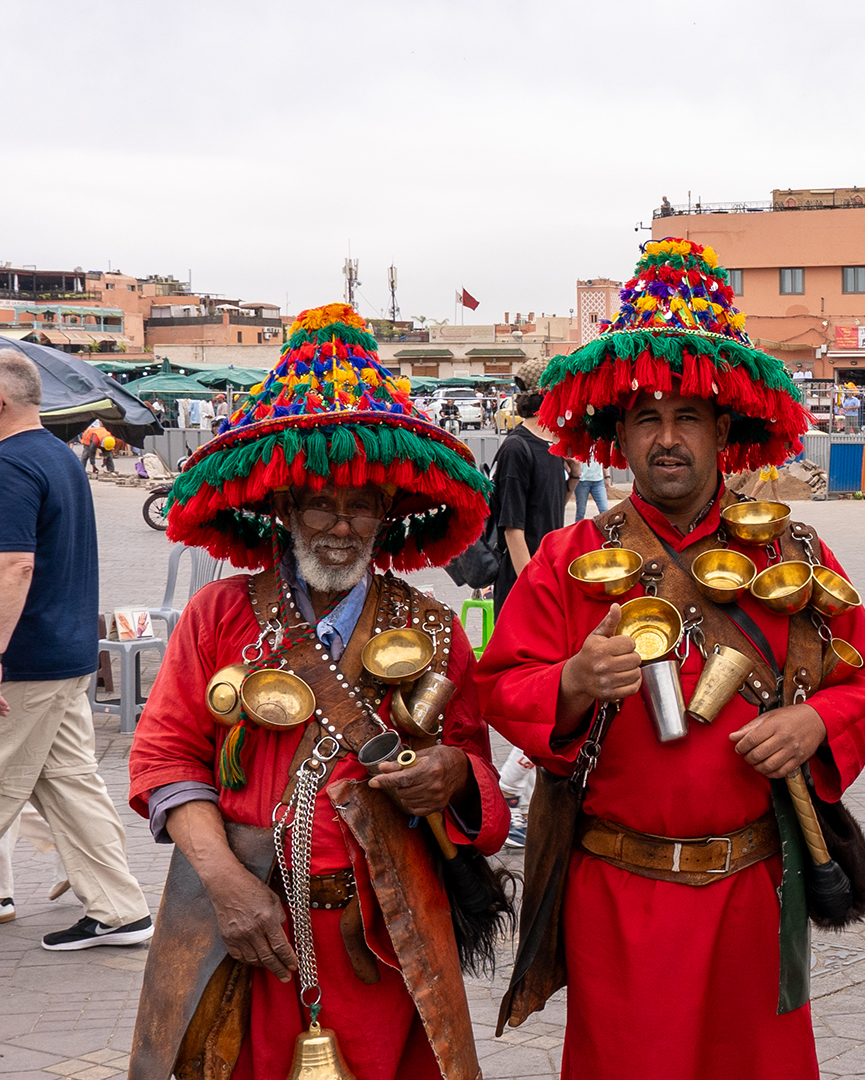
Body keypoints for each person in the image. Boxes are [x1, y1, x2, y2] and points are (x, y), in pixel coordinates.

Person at [477, 239, 865, 1079]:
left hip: (754, 894)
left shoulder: (791, 550)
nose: (667, 439)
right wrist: (570, 682)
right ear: (617, 434)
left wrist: (816, 721)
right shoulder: (568, 558)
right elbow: (498, 685)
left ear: (723, 430)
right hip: (616, 902)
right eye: (646, 418)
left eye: (687, 417)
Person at [128, 304, 508, 1080]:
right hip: (249, 936)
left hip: (386, 944)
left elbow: (483, 786)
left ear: (388, 514)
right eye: (321, 502)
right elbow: (165, 761)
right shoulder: (217, 616)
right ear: (281, 508)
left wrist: (456, 777)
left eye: (362, 504)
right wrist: (228, 888)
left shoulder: (432, 630)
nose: (341, 524)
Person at [0, 347, 154, 951]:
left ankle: (118, 910)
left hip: (27, 659)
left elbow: (14, 567)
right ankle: (120, 911)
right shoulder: (59, 457)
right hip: (65, 653)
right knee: (69, 784)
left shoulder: (10, 464)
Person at [489, 358, 569, 608]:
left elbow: (547, 506)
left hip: (547, 575)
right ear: (549, 396)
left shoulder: (553, 444)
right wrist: (531, 584)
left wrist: (574, 477)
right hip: (522, 584)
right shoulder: (516, 449)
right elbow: (512, 527)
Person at [572, 448, 608, 521]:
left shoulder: (599, 444)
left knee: (604, 510)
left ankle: (606, 530)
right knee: (581, 512)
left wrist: (607, 477)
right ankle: (579, 531)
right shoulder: (580, 443)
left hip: (598, 481)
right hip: (582, 481)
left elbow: (604, 461)